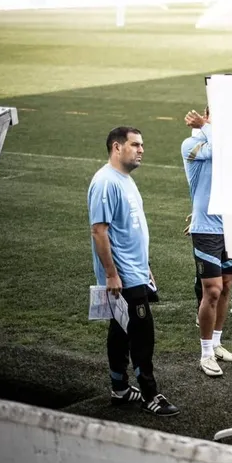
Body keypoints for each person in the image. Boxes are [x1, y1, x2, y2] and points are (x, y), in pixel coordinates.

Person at [89, 126, 178, 416]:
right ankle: (150, 395)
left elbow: (131, 230)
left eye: (142, 145)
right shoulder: (105, 182)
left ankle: (120, 389)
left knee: (121, 329)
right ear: (117, 147)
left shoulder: (125, 179)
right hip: (123, 276)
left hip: (135, 271)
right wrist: (112, 274)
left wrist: (146, 267)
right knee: (142, 334)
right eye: (135, 144)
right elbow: (99, 232)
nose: (141, 150)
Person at [182, 108, 232, 377]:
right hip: (206, 229)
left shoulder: (231, 143)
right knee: (213, 290)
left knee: (227, 285)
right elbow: (221, 151)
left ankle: (217, 344)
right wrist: (207, 126)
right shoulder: (192, 145)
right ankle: (205, 353)